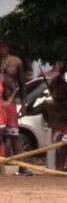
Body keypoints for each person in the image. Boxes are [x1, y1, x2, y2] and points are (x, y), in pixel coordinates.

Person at [0, 38, 28, 174]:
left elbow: (22, 84)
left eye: (3, 46)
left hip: (10, 102)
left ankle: (23, 167)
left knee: (13, 134)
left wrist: (23, 103)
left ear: (7, 47)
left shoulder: (16, 62)